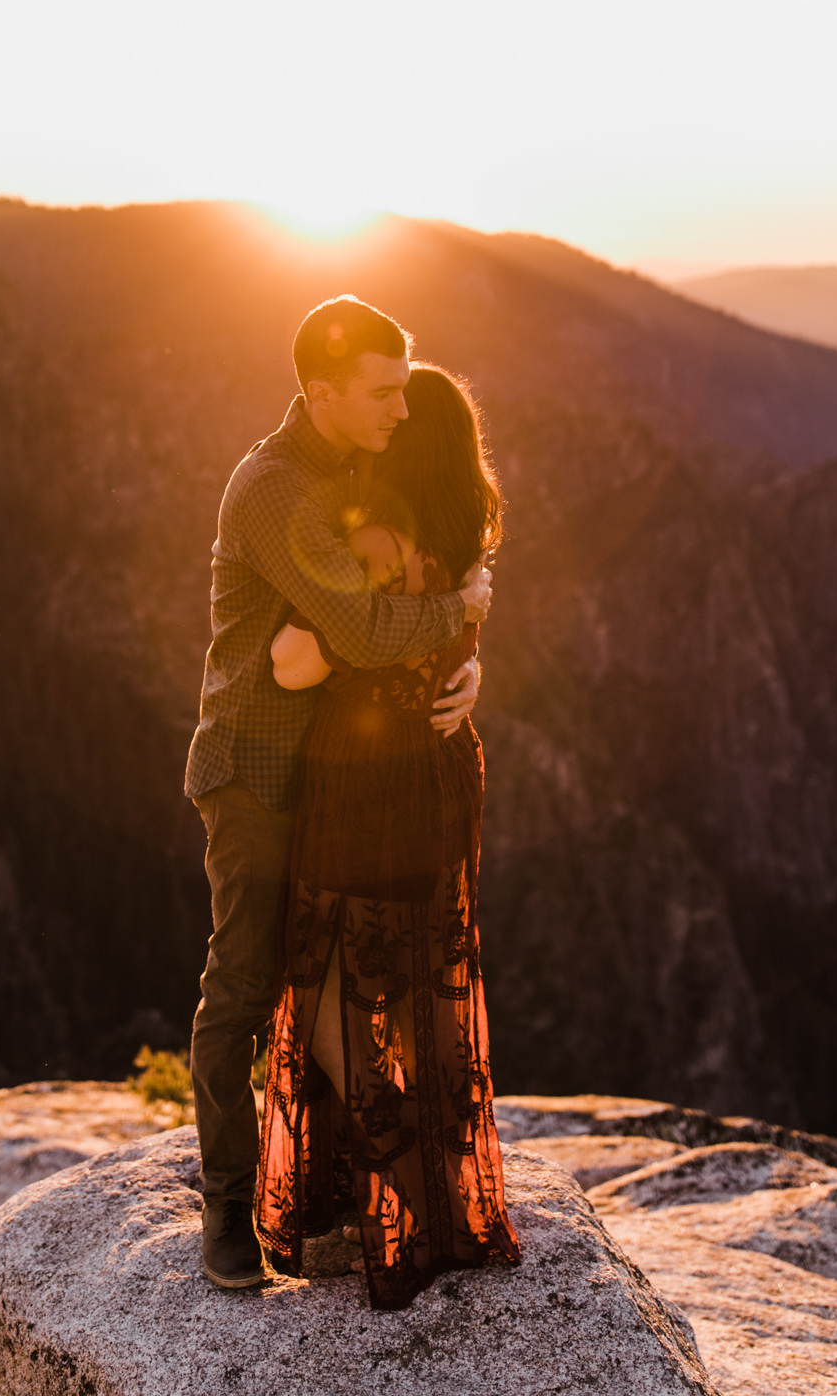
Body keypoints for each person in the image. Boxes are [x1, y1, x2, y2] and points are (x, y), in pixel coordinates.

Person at [186, 297, 493, 1291]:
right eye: (381, 391)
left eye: (403, 388)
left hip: (334, 778)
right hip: (259, 774)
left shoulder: (353, 468)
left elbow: (396, 595)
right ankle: (227, 1210)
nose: (401, 408)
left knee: (329, 977)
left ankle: (346, 1187)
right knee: (245, 984)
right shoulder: (276, 487)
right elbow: (361, 632)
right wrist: (460, 611)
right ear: (320, 392)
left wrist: (467, 661)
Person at [255, 364, 520, 1310]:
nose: (386, 420)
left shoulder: (372, 537)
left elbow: (291, 664)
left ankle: (390, 1157)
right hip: (442, 768)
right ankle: (439, 1190)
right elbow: (456, 640)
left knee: (330, 978)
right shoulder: (461, 540)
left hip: (365, 785)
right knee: (417, 972)